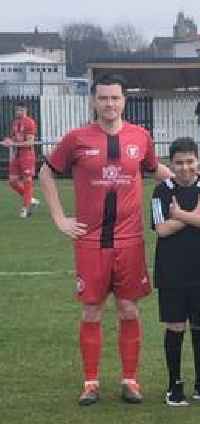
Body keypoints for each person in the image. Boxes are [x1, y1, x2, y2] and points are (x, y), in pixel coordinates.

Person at [39, 74, 173, 406]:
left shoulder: (140, 137)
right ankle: (91, 382)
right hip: (91, 241)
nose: (109, 104)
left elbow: (156, 169)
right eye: (103, 98)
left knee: (128, 309)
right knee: (91, 311)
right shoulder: (77, 138)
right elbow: (45, 171)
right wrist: (59, 217)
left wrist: (189, 176)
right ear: (93, 101)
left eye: (115, 98)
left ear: (124, 100)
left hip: (129, 241)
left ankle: (130, 380)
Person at [151, 137, 200, 407]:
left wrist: (180, 215)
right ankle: (174, 385)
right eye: (179, 163)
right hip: (170, 271)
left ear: (198, 161)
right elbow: (161, 229)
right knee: (175, 326)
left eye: (190, 162)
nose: (185, 168)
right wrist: (194, 215)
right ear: (171, 163)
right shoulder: (161, 191)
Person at [2, 102, 40, 218]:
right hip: (17, 154)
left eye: (21, 110)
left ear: (25, 110)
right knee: (12, 181)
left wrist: (14, 143)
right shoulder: (15, 123)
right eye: (17, 110)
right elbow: (14, 138)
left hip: (27, 155)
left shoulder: (30, 122)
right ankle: (31, 200)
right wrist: (8, 141)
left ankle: (26, 208)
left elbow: (30, 142)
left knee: (27, 181)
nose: (18, 112)